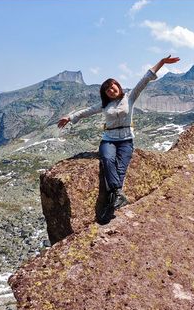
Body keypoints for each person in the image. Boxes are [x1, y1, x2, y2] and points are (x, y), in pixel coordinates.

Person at [58, 55, 180, 224]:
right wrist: (69, 117)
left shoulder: (129, 97)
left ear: (118, 86)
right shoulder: (104, 105)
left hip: (126, 140)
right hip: (109, 139)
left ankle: (112, 201)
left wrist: (162, 63)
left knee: (121, 168)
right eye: (107, 89)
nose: (110, 90)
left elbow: (144, 80)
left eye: (112, 86)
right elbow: (86, 111)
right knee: (107, 159)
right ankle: (117, 195)